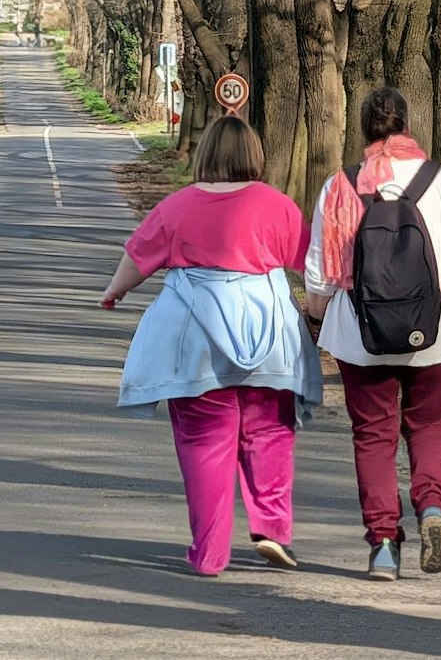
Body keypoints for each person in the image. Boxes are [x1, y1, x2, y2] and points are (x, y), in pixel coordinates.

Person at [101, 116, 321, 576]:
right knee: (270, 432)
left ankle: (210, 552)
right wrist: (322, 311)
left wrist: (114, 291)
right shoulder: (277, 205)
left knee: (204, 443)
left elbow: (138, 257)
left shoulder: (178, 205)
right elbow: (311, 264)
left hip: (196, 342)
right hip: (268, 337)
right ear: (254, 155)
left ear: (205, 155)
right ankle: (271, 529)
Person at [304, 87, 441, 581]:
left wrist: (316, 322)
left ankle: (382, 546)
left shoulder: (340, 186)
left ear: (364, 130)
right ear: (407, 125)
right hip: (438, 330)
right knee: (429, 423)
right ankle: (432, 507)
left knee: (373, 434)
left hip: (361, 334)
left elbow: (319, 277)